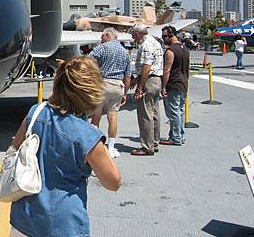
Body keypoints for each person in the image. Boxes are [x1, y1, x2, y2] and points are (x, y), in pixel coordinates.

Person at [9, 56, 121, 237]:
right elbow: (113, 182)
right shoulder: (87, 135)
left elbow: (15, 147)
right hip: (63, 223)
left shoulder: (36, 112)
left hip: (24, 218)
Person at [88, 27, 131, 158]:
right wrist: (125, 93)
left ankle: (93, 145)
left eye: (102, 36)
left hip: (103, 83)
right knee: (113, 116)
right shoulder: (125, 52)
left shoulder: (103, 47)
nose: (101, 38)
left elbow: (88, 59)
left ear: (107, 35)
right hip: (118, 85)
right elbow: (128, 76)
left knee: (96, 115)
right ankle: (111, 148)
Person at [129, 23, 164, 156]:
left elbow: (146, 68)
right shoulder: (155, 42)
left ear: (139, 33)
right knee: (154, 112)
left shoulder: (146, 46)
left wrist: (139, 87)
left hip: (149, 81)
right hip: (156, 80)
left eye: (133, 35)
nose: (133, 38)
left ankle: (146, 146)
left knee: (145, 114)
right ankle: (154, 142)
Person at [160, 26, 190, 146]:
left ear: (171, 35)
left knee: (173, 112)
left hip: (173, 83)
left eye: (165, 36)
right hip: (183, 83)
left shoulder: (171, 50)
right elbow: (187, 68)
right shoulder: (185, 49)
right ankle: (180, 135)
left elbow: (167, 70)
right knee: (180, 111)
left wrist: (163, 86)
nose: (163, 39)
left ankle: (175, 137)